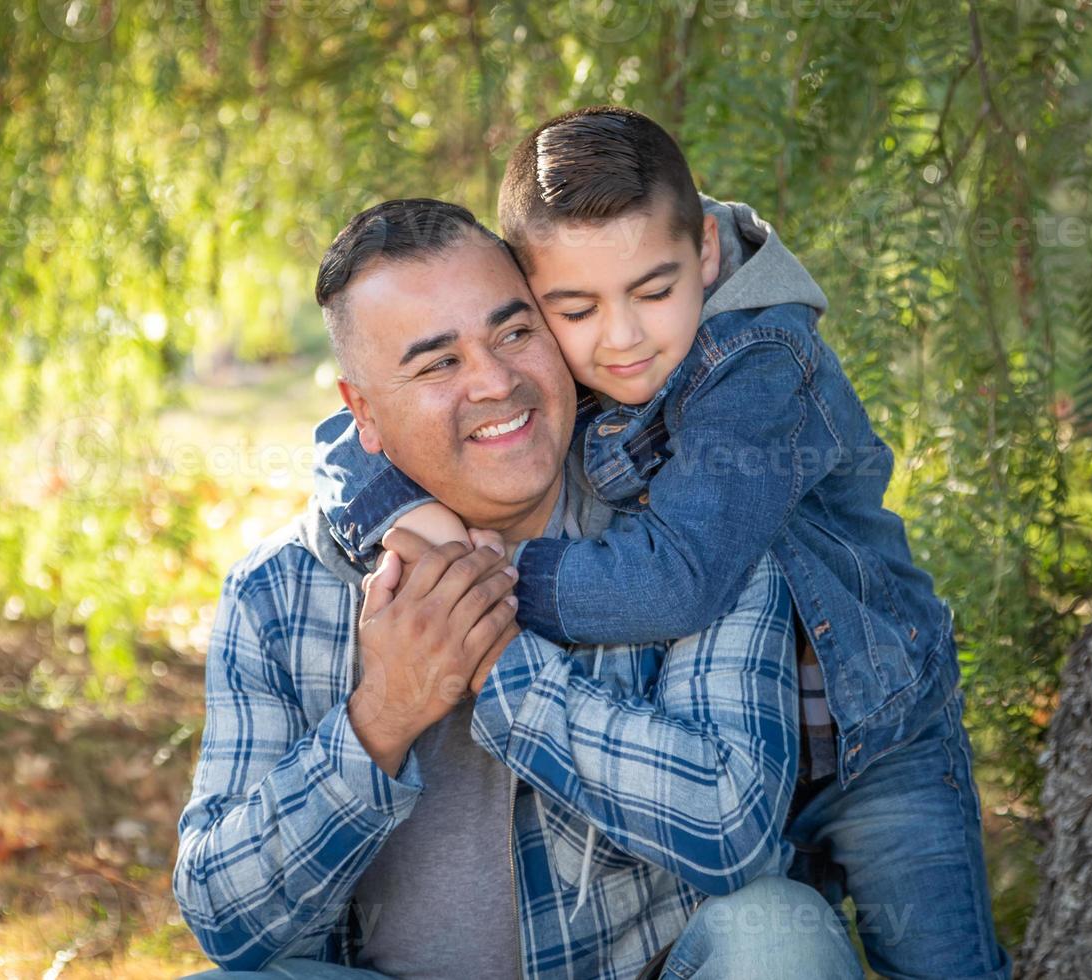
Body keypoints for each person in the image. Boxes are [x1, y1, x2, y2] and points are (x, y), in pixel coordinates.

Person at [312, 107, 1011, 980]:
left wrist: (480, 580)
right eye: (572, 309)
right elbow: (357, 429)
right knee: (782, 938)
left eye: (653, 290)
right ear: (532, 298)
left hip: (879, 738)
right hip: (754, 751)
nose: (622, 337)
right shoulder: (557, 346)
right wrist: (403, 517)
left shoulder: (759, 365)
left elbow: (675, 580)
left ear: (708, 254)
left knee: (942, 964)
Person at [175, 199, 863, 979]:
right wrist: (385, 713)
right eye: (438, 363)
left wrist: (502, 664)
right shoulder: (281, 590)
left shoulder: (689, 538)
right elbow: (226, 925)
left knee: (778, 934)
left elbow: (733, 829)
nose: (496, 382)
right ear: (362, 412)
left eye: (514, 332)